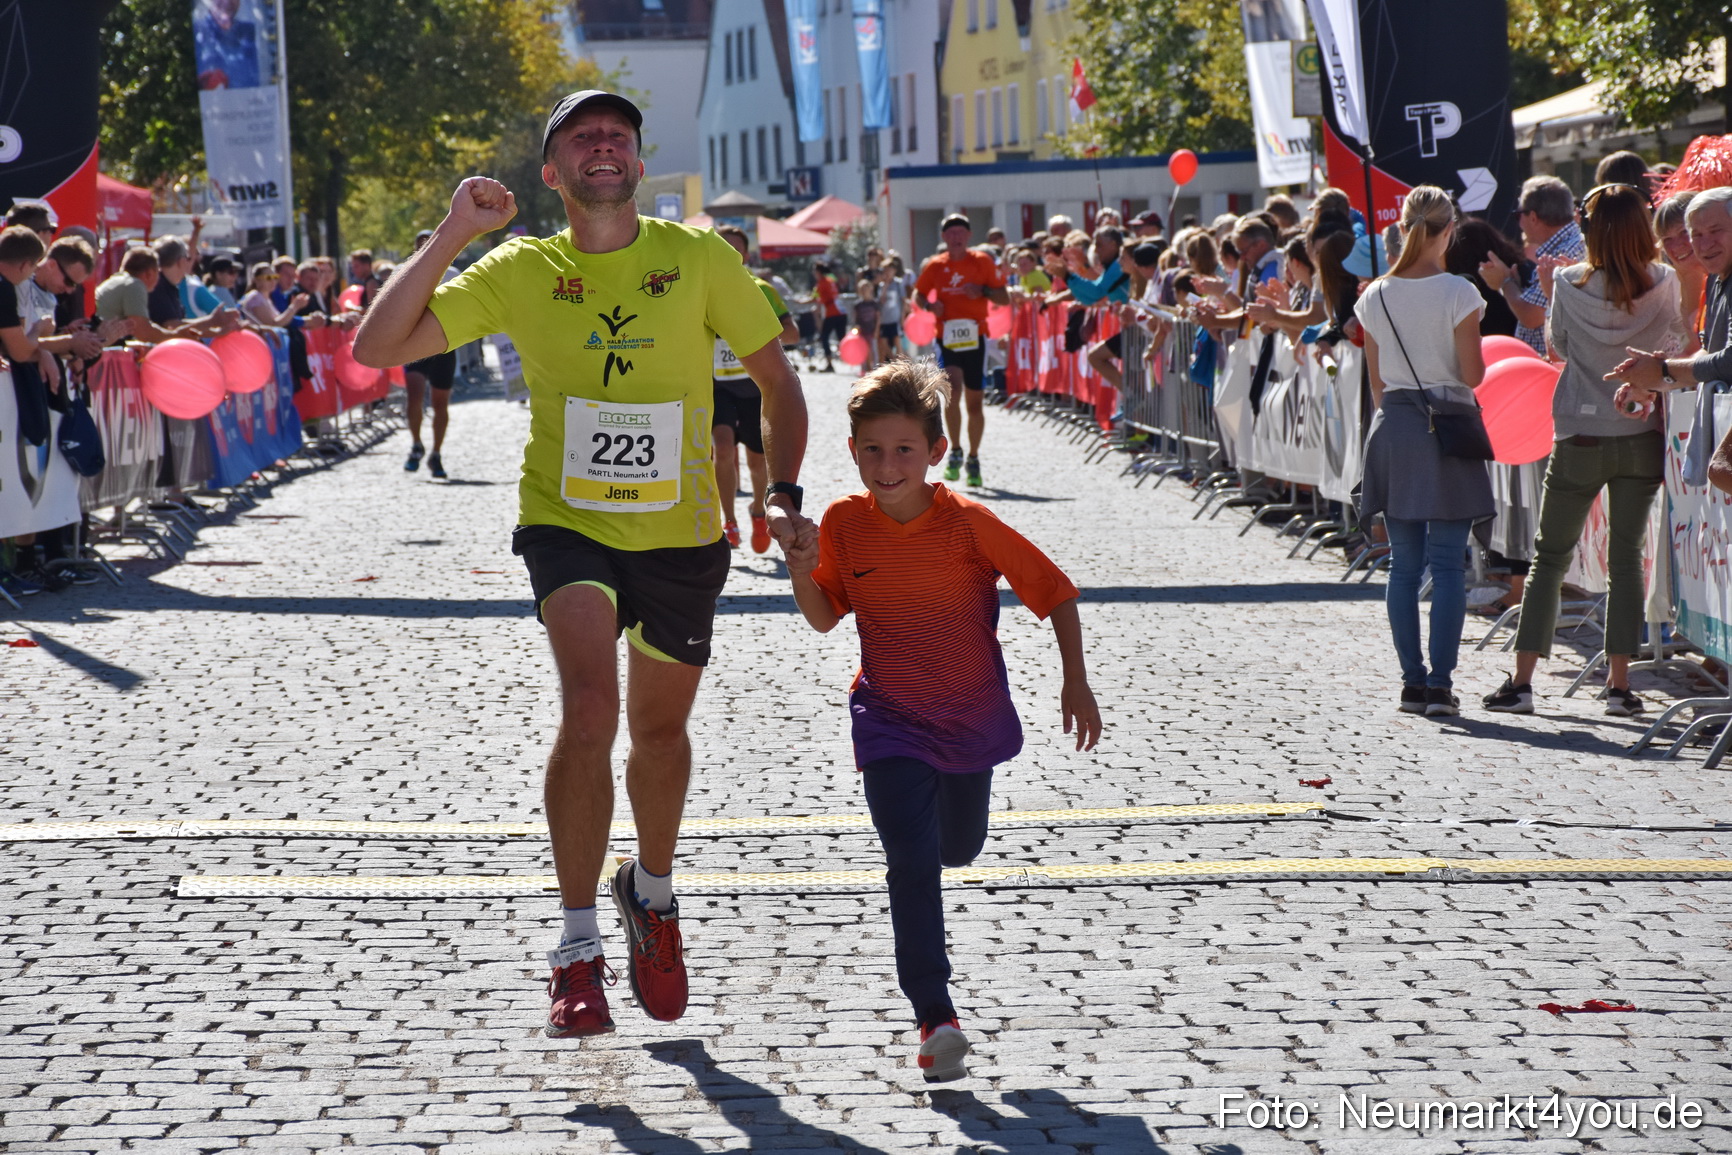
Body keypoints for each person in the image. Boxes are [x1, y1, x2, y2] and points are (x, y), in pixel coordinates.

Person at [353, 88, 814, 1040]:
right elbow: (376, 344)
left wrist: (783, 493)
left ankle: (651, 891)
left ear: (640, 166)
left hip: (684, 532)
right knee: (590, 710)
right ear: (553, 172)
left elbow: (777, 380)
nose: (603, 146)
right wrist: (452, 230)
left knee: (658, 733)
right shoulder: (522, 268)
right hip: (567, 524)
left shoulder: (698, 260)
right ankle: (574, 951)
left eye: (620, 136)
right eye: (580, 137)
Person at [783, 361, 1101, 1082]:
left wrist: (1074, 681)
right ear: (854, 448)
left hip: (969, 719)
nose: (886, 465)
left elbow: (1056, 594)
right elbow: (826, 616)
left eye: (902, 449)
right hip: (890, 718)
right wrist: (804, 567)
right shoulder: (841, 522)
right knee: (911, 863)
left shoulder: (970, 523)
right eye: (872, 449)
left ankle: (936, 999)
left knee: (957, 847)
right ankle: (935, 1013)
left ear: (935, 451)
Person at [1482, 184, 1684, 718]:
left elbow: (1559, 348)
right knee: (1625, 561)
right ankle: (1619, 686)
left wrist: (1552, 288)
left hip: (1579, 431)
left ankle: (1523, 681)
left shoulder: (1571, 284)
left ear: (1589, 229)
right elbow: (1673, 347)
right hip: (1638, 433)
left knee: (1550, 557)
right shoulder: (1663, 282)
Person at [1353, 186, 1493, 717]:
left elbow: (1376, 385)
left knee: (1403, 567)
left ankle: (1413, 684)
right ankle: (1440, 684)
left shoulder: (1376, 295)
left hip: (1395, 427)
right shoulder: (1459, 291)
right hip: (1448, 424)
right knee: (1448, 565)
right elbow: (1472, 374)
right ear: (1449, 230)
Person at [710, 224, 800, 552]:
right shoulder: (701, 289)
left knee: (756, 462)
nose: (730, 255)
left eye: (736, 249)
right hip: (717, 387)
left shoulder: (761, 289)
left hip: (754, 387)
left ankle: (758, 512)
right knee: (721, 448)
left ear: (746, 255)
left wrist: (755, 337)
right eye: (723, 248)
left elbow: (792, 334)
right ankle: (729, 520)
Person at [912, 213, 1009, 487]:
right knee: (952, 389)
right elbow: (917, 294)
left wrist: (983, 292)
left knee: (975, 402)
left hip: (975, 338)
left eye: (960, 233)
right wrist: (931, 306)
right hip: (948, 339)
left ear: (968, 237)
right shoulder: (936, 265)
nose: (955, 238)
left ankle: (974, 457)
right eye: (950, 233)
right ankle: (955, 450)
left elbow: (1004, 296)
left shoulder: (982, 262)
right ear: (944, 238)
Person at [1478, 175, 1584, 356]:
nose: (1519, 223)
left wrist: (1505, 282)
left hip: (1554, 370)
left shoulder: (1562, 254)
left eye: (1519, 215)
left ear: (1533, 217)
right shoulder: (1569, 245)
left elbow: (1532, 317)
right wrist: (1516, 286)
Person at [400, 229, 461, 477]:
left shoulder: (454, 274)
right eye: (420, 245)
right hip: (415, 345)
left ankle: (436, 453)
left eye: (430, 242)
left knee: (440, 403)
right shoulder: (404, 271)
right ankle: (416, 444)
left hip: (445, 345)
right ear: (415, 248)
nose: (425, 247)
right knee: (414, 397)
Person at [813, 259, 846, 371]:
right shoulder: (831, 279)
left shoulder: (821, 283)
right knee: (842, 339)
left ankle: (829, 363)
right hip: (841, 312)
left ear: (818, 272)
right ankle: (858, 360)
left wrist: (799, 302)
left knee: (824, 337)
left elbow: (815, 298)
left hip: (832, 313)